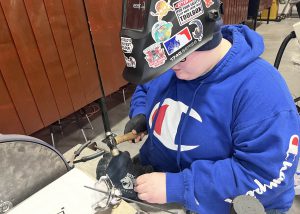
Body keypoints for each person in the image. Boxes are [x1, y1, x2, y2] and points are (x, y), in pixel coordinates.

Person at [99, 1, 300, 213]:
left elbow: (263, 175)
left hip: (223, 202)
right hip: (160, 176)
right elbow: (146, 87)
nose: (171, 68)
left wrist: (177, 187)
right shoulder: (175, 63)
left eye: (176, 61)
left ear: (205, 40)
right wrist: (142, 112)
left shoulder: (261, 91)